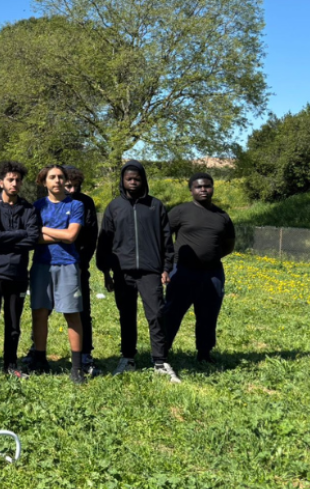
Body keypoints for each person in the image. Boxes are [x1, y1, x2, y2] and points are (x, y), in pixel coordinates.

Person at [96, 160, 180, 382]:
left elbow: (166, 240)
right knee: (127, 316)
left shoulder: (156, 206)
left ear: (143, 180)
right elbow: (104, 242)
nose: (133, 182)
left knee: (156, 315)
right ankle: (128, 358)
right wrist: (106, 273)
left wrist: (166, 268)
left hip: (151, 272)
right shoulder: (114, 207)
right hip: (122, 273)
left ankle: (160, 362)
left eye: (137, 178)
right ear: (122, 181)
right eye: (129, 178)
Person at [0, 161, 41, 378]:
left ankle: (10, 364)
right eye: (10, 180)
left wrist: (7, 239)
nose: (14, 183)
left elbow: (33, 239)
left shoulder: (29, 208)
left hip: (18, 274)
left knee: (13, 325)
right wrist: (20, 234)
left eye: (18, 180)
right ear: (1, 182)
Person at [163, 173, 235, 363]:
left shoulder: (222, 216)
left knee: (208, 315)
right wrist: (167, 261)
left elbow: (229, 244)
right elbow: (163, 236)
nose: (203, 190)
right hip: (182, 271)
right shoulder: (180, 212)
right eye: (198, 187)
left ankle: (204, 354)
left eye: (207, 186)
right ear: (191, 190)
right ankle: (161, 352)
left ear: (212, 188)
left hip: (212, 273)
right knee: (172, 313)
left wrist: (210, 257)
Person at [29, 165, 86, 384]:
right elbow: (33, 238)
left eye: (61, 177)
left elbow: (72, 236)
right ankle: (40, 359)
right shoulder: (37, 206)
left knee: (72, 314)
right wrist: (58, 234)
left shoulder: (76, 205)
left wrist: (44, 230)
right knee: (40, 313)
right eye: (52, 177)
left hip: (68, 265)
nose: (57, 181)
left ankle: (77, 367)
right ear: (45, 182)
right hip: (41, 265)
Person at [64, 166, 101, 377]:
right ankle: (37, 351)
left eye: (74, 186)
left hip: (78, 264)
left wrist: (82, 261)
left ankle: (85, 354)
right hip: (52, 264)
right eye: (67, 185)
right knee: (43, 310)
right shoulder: (51, 201)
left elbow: (92, 235)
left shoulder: (85, 202)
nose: (71, 190)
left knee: (81, 311)